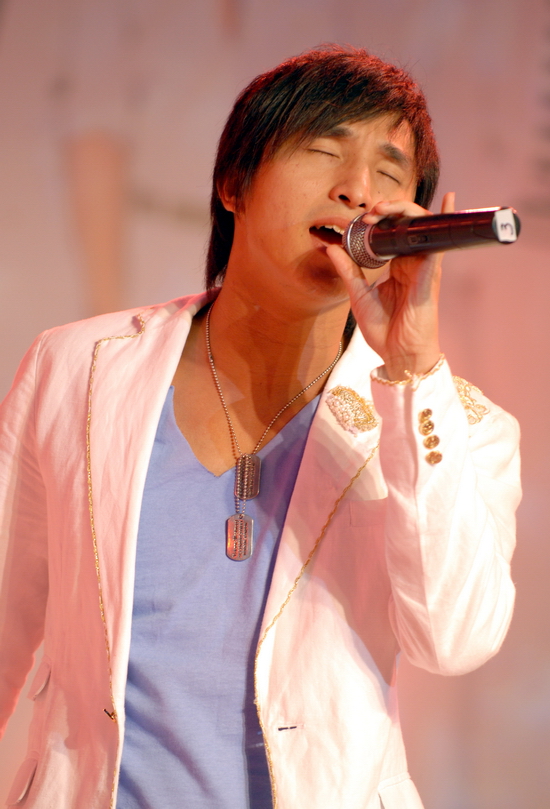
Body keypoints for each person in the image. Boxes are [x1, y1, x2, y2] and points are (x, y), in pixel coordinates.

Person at [0, 45, 520, 809]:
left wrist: (411, 370)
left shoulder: (456, 425)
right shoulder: (78, 366)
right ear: (233, 183)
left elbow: (455, 638)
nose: (357, 190)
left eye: (388, 172)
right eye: (324, 152)